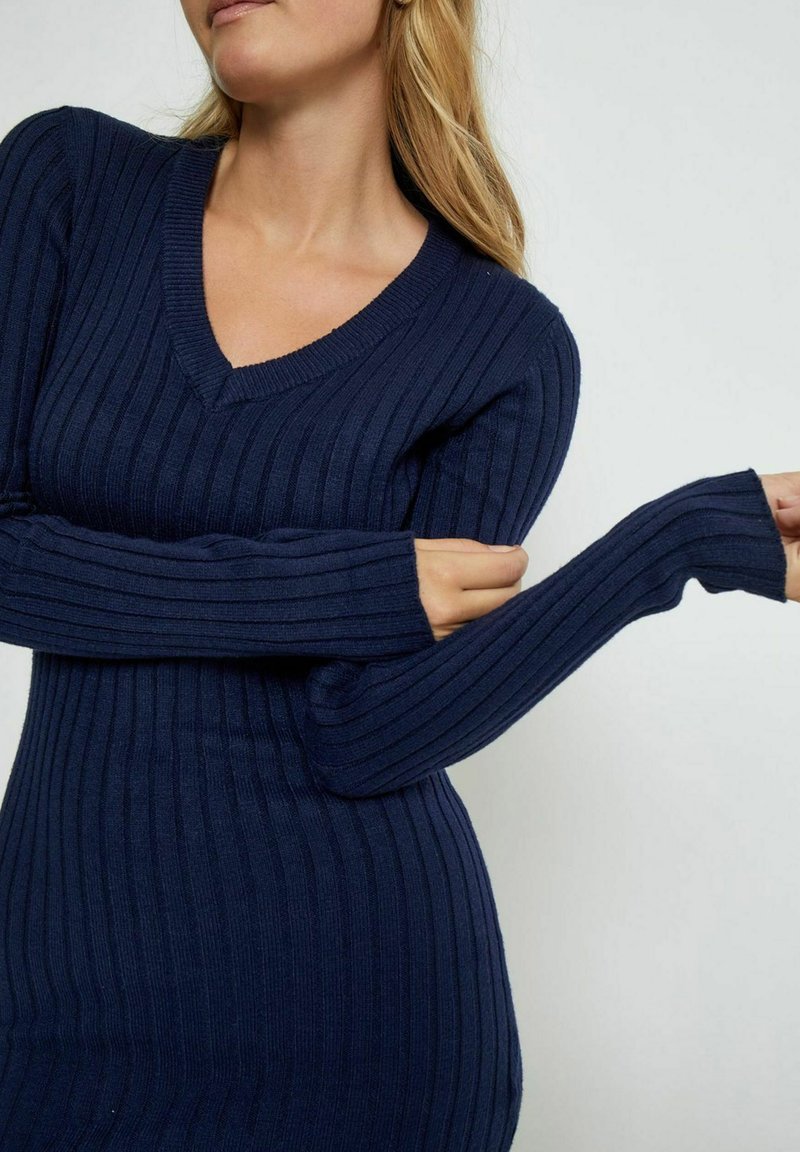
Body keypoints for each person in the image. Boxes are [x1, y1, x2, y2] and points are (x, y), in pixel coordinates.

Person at [0, 0, 796, 1147]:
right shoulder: (69, 182)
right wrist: (335, 586)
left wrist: (662, 549)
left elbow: (363, 731)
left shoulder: (502, 345)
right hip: (61, 987)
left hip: (363, 1016)